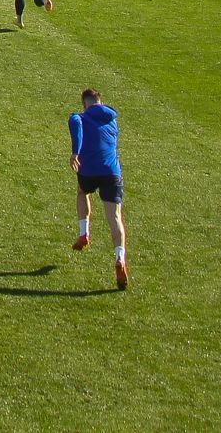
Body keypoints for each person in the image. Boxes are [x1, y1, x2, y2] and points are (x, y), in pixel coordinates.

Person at [70, 88, 129, 289]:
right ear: (100, 102)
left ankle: (84, 233)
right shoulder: (112, 119)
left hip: (88, 170)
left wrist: (75, 152)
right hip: (111, 172)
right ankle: (120, 257)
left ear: (84, 103)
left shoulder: (79, 117)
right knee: (115, 217)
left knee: (82, 192)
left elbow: (77, 125)